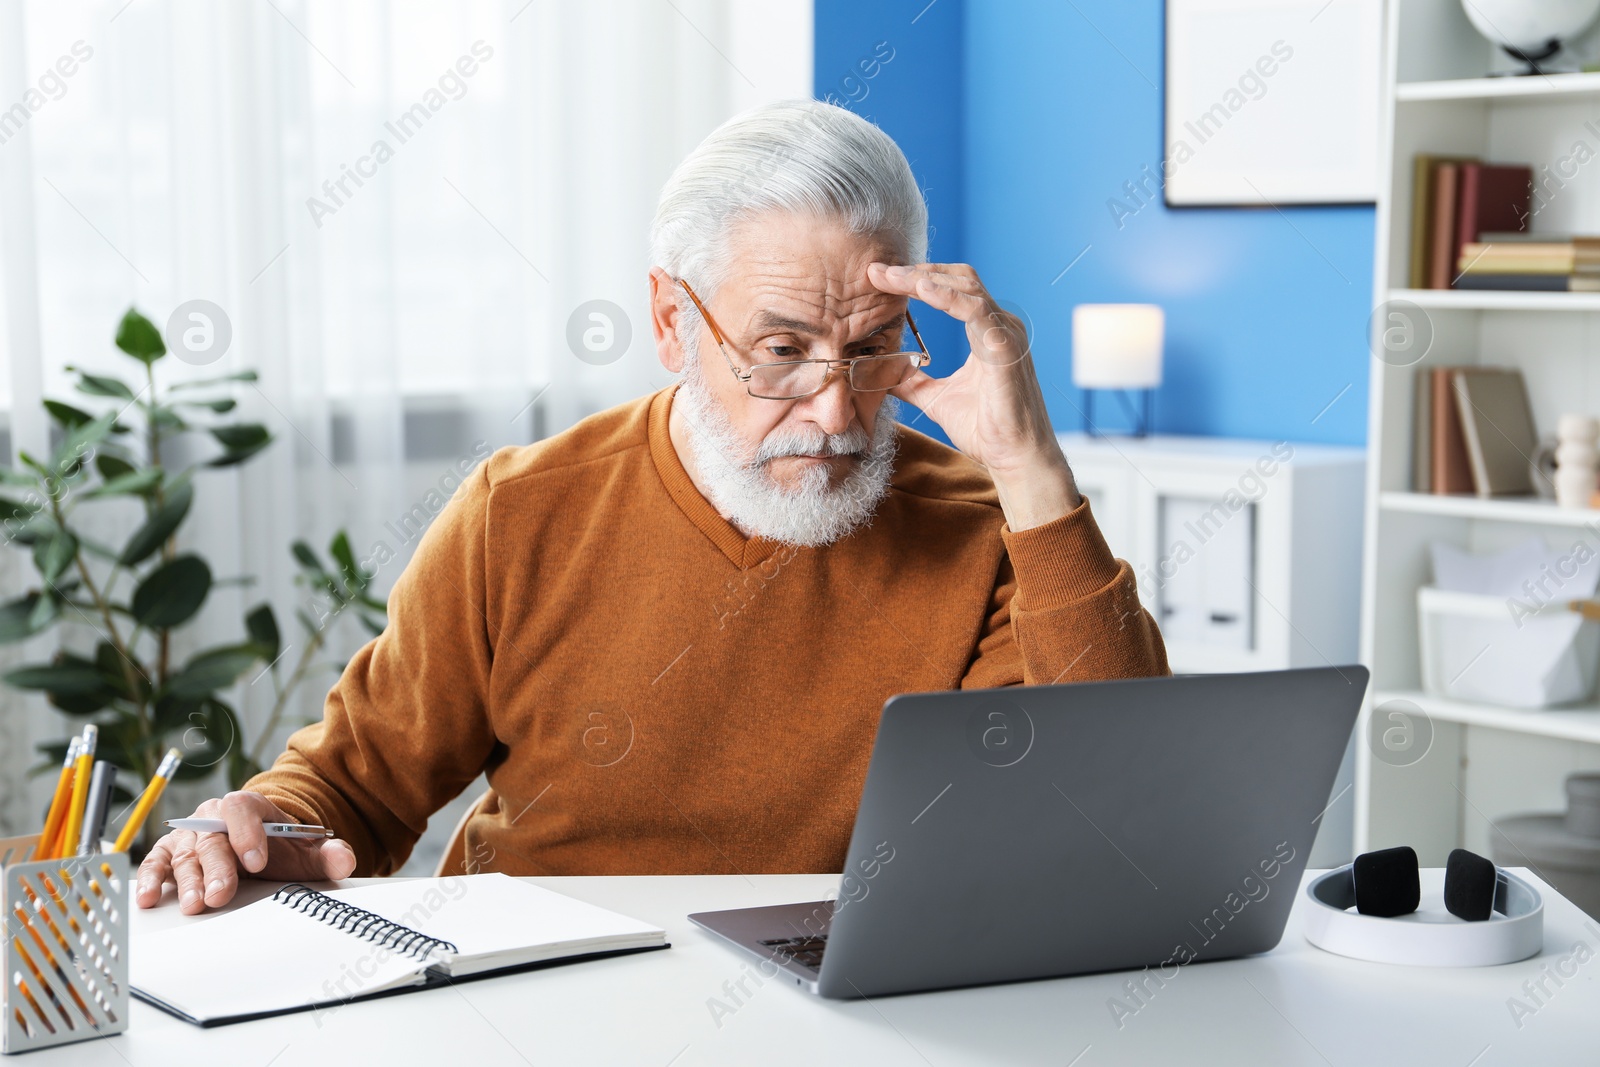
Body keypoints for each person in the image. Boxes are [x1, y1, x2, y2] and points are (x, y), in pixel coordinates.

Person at [136, 99, 1168, 914]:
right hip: (533, 1005)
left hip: (836, 1008)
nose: (835, 406)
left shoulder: (987, 527)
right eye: (780, 351)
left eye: (872, 346)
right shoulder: (520, 511)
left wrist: (1031, 469)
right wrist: (253, 822)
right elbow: (355, 788)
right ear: (672, 319)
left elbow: (1110, 801)